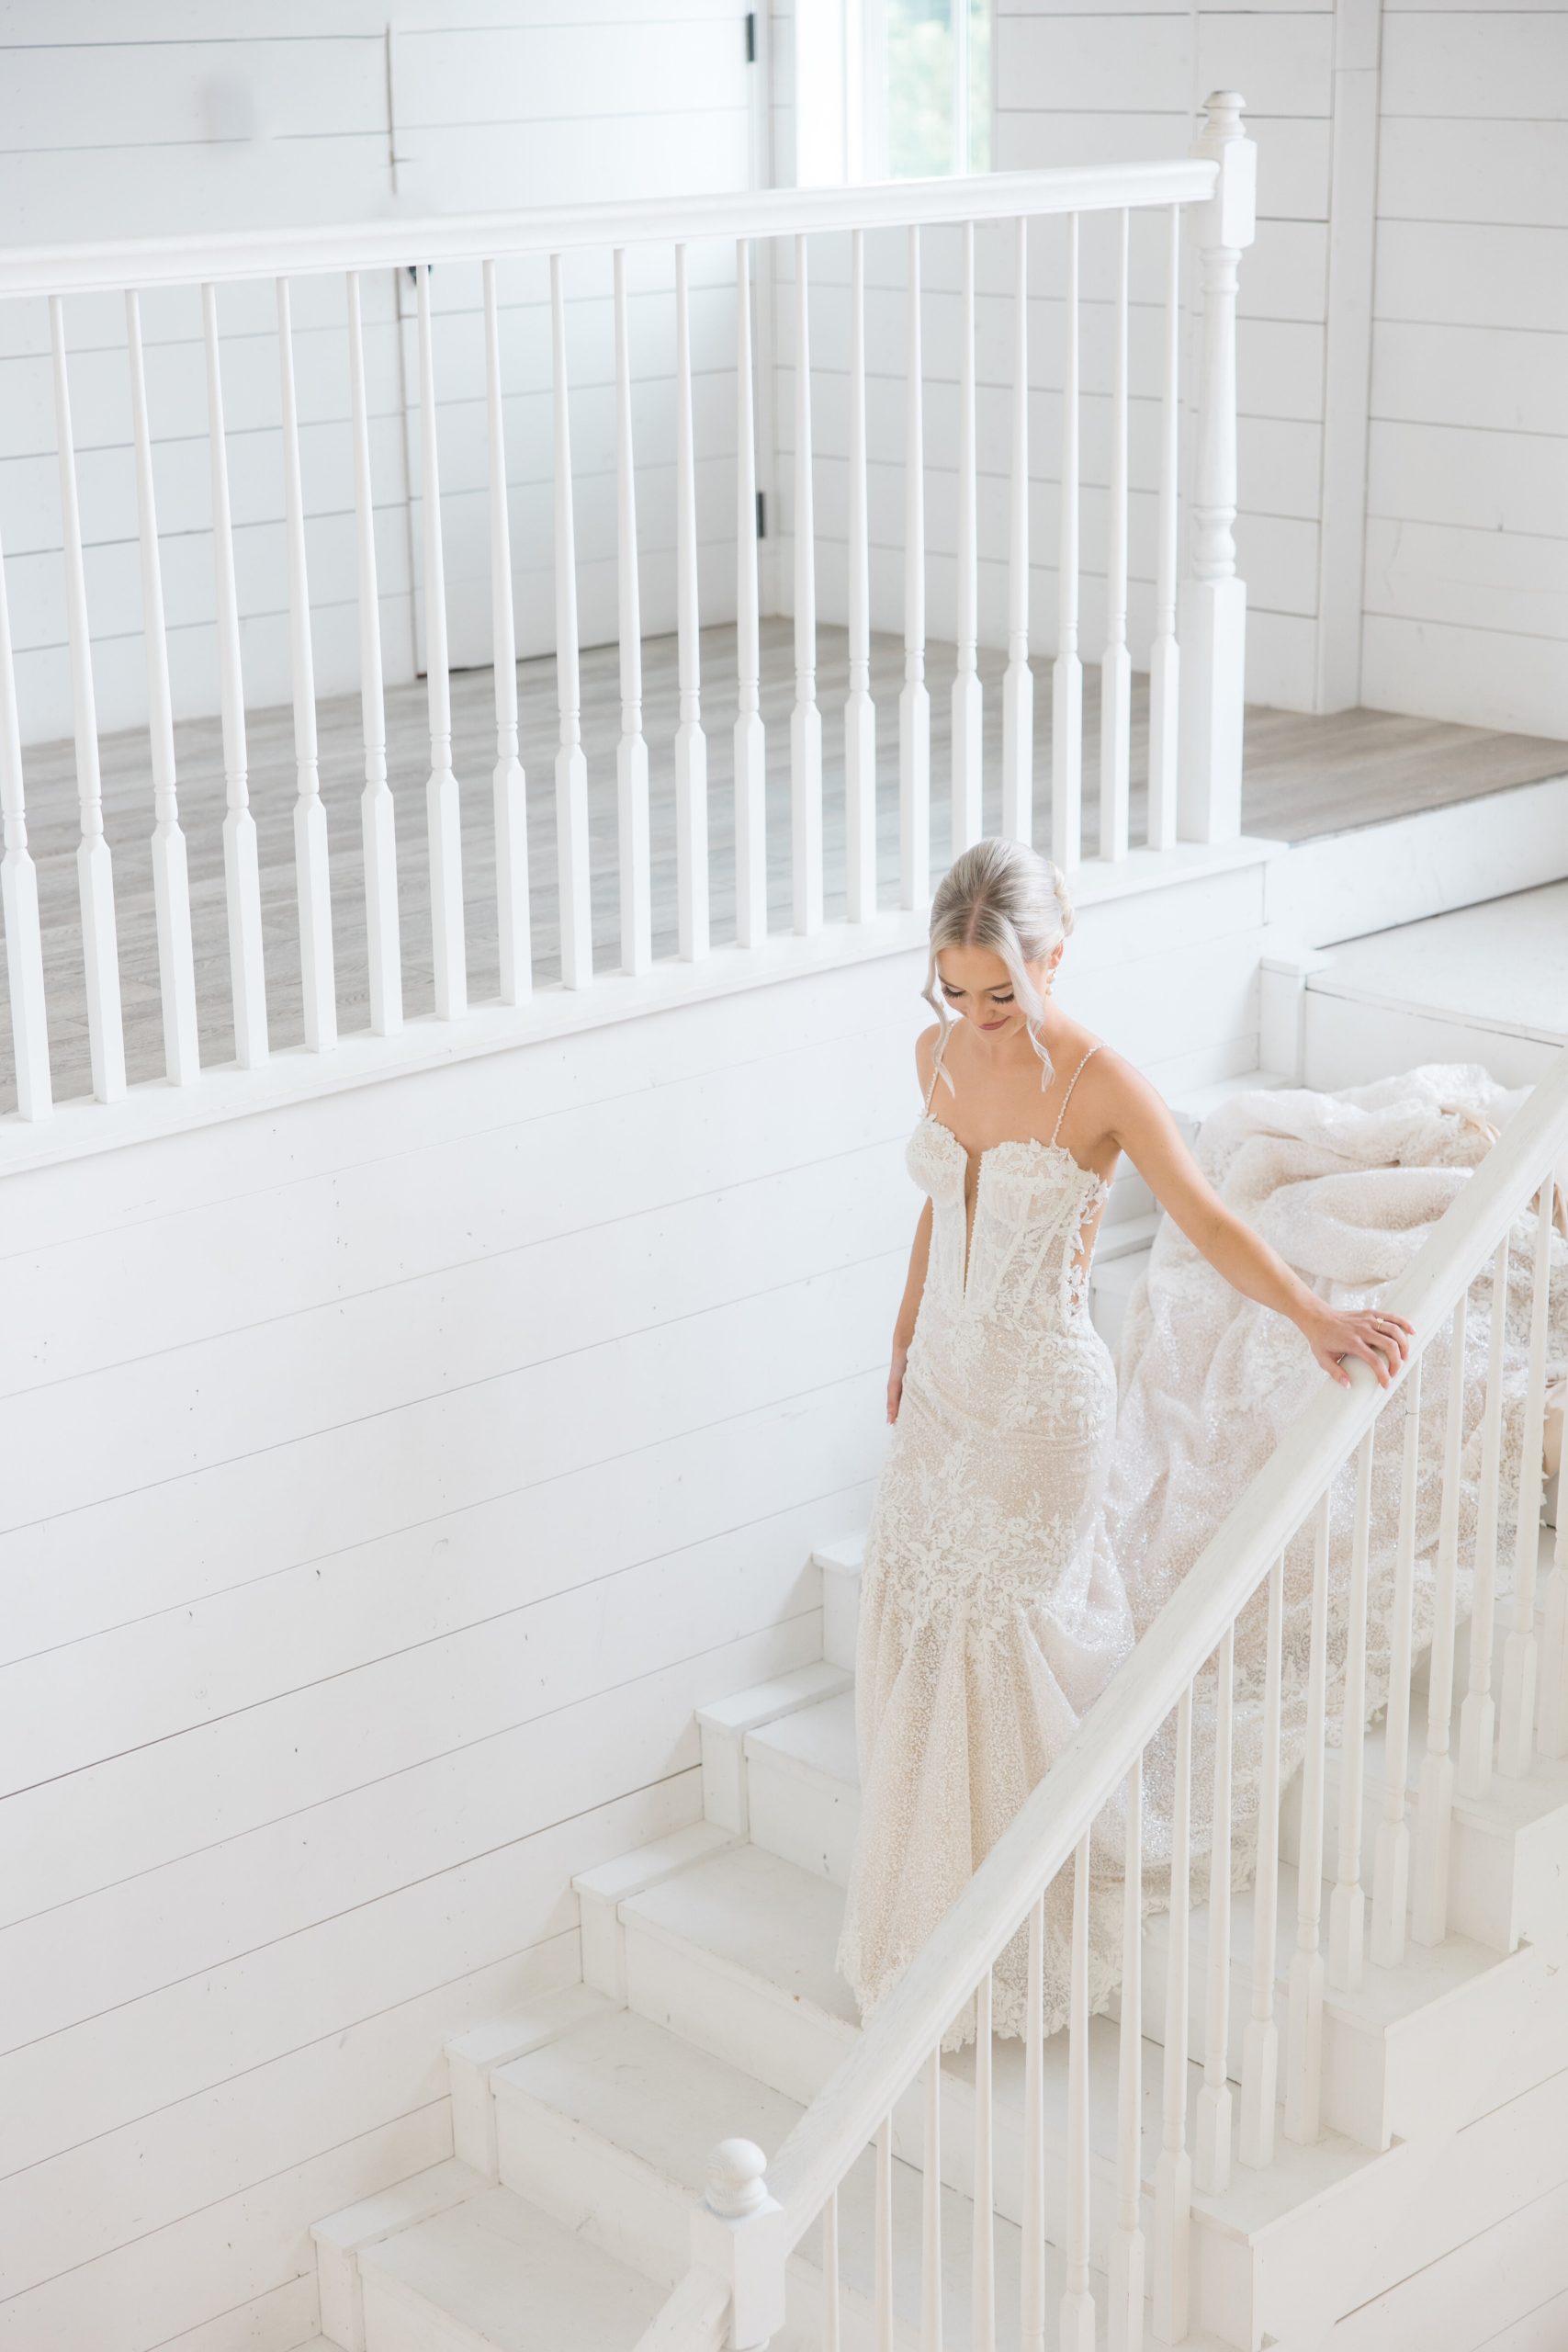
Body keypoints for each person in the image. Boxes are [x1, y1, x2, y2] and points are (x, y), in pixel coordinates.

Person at [834, 836, 1414, 2045]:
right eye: (959, 992)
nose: (983, 1019)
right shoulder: (934, 1054)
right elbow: (938, 1211)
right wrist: (897, 1338)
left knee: (1004, 1632)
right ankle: (930, 1894)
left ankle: (1018, 1889)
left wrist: (1313, 1315)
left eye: (1005, 990)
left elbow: (1202, 1217)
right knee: (916, 1605)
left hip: (1043, 1403)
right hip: (943, 1385)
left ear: (1056, 953)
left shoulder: (1100, 1082)